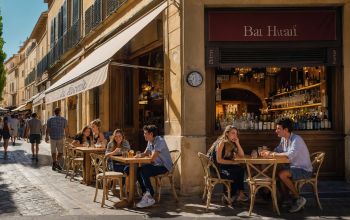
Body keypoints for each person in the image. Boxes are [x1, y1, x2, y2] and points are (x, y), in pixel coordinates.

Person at [260, 118, 313, 213]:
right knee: (275, 172)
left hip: (303, 169)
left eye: (278, 128)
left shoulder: (297, 139)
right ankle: (286, 198)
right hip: (293, 167)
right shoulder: (284, 139)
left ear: (286, 130)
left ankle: (298, 198)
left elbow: (289, 155)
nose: (276, 131)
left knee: (282, 174)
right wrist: (267, 151)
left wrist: (271, 154)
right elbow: (278, 150)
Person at [207, 125, 248, 202]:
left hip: (222, 167)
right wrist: (233, 162)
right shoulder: (222, 142)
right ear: (227, 133)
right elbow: (219, 160)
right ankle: (228, 195)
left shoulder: (230, 143)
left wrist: (238, 143)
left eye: (236, 134)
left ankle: (237, 194)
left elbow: (241, 155)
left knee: (240, 169)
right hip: (216, 170)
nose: (235, 135)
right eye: (233, 133)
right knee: (237, 172)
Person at [135, 125, 173, 208]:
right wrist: (137, 155)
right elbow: (145, 153)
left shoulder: (160, 141)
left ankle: (150, 195)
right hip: (156, 165)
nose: (144, 135)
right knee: (138, 170)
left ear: (151, 134)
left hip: (164, 167)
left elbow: (152, 158)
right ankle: (146, 194)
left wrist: (147, 156)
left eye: (145, 133)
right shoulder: (150, 141)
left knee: (144, 170)